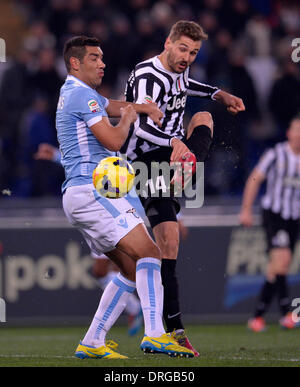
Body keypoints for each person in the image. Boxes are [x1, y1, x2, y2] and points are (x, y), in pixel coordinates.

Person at [56, 35, 194, 359]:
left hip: (81, 193)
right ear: (75, 62)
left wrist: (140, 106)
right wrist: (130, 119)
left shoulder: (78, 93)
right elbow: (114, 140)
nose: (102, 63)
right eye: (94, 58)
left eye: (102, 57)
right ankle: (155, 333)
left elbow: (111, 105)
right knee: (151, 252)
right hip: (96, 189)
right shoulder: (80, 96)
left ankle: (92, 341)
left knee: (132, 269)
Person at [123, 20, 245, 355]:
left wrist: (219, 93)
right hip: (144, 162)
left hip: (171, 158)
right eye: (182, 49)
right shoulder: (148, 75)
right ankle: (164, 327)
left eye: (193, 52)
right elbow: (142, 125)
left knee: (169, 242)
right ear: (168, 42)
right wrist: (175, 140)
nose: (187, 57)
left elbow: (187, 86)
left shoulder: (180, 70)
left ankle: (171, 330)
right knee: (149, 250)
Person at [239, 116, 300, 332]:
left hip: (294, 217)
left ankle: (258, 316)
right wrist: (246, 209)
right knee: (282, 260)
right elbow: (254, 179)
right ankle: (285, 314)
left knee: (277, 267)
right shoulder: (276, 154)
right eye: (296, 129)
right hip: (274, 214)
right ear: (289, 133)